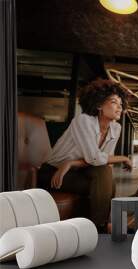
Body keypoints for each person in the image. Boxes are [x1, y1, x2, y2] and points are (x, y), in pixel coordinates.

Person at [37, 79, 132, 228]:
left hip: (76, 170)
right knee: (104, 183)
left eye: (121, 104)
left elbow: (101, 161)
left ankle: (96, 226)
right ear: (99, 104)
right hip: (53, 172)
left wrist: (70, 163)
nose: (119, 108)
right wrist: (124, 158)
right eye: (114, 102)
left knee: (104, 173)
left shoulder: (116, 128)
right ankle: (100, 227)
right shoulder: (83, 121)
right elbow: (95, 158)